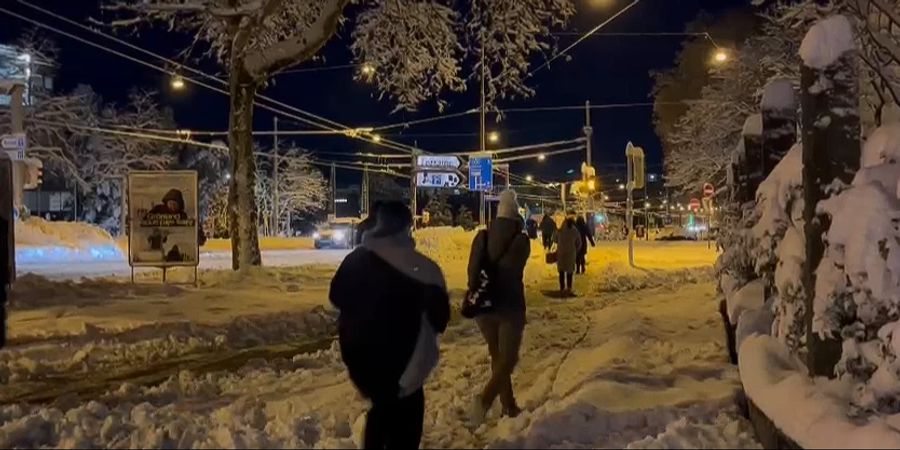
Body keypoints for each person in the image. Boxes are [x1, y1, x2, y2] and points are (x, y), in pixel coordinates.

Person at [330, 201, 450, 449]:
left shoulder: (355, 261)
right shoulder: (425, 270)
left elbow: (336, 297)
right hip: (406, 366)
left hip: (363, 362)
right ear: (406, 227)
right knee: (404, 423)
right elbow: (440, 320)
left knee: (381, 412)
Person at [467, 190, 531, 421]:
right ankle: (484, 401)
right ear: (516, 215)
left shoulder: (481, 237)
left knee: (498, 357)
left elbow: (472, 273)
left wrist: (483, 288)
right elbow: (515, 268)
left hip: (484, 308)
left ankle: (508, 404)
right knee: (509, 358)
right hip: (510, 308)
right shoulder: (521, 240)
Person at [555, 218, 582, 296]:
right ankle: (569, 288)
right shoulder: (574, 231)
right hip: (571, 254)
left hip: (561, 254)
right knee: (569, 272)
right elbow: (579, 242)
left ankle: (562, 288)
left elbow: (555, 239)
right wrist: (576, 249)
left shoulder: (560, 231)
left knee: (561, 272)